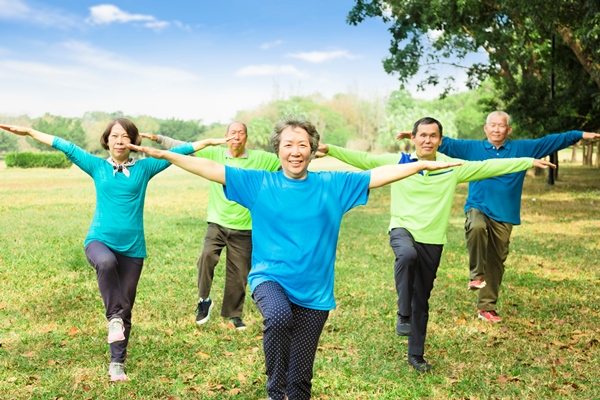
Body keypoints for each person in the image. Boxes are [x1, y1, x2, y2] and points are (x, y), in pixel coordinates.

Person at [128, 115, 461, 400]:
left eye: (302, 144)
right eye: (287, 144)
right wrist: (164, 154)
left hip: (315, 294)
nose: (295, 151)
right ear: (278, 150)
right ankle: (274, 390)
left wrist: (420, 164)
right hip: (269, 278)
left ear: (313, 150)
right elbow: (210, 167)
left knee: (300, 381)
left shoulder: (332, 185)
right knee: (277, 317)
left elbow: (378, 176)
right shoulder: (259, 183)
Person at [318, 117, 555, 373]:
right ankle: (402, 313)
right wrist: (331, 149)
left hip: (432, 239)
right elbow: (362, 159)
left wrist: (528, 161)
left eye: (433, 136)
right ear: (413, 138)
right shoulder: (397, 163)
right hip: (402, 228)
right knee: (406, 256)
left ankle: (416, 355)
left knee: (422, 298)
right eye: (423, 135)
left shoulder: (451, 167)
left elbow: (490, 166)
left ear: (440, 140)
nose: (427, 140)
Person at [0, 119, 226, 382]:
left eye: (125, 136)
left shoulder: (145, 168)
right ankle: (113, 319)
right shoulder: (97, 166)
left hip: (133, 249)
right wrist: (28, 131)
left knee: (126, 308)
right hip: (99, 240)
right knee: (106, 265)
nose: (119, 141)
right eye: (114, 136)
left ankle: (117, 362)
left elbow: (179, 151)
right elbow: (65, 145)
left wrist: (208, 141)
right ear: (106, 140)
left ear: (132, 142)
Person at [429, 111, 599, 323]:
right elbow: (444, 143)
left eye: (501, 126)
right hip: (478, 206)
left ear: (508, 130)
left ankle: (486, 308)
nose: (496, 129)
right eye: (492, 125)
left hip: (505, 213)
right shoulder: (472, 148)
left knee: (497, 261)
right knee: (476, 225)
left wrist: (579, 134)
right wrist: (421, 134)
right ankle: (476, 275)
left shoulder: (522, 148)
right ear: (485, 128)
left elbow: (551, 141)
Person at [141, 122, 280, 330]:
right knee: (206, 258)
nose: (237, 136)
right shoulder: (215, 154)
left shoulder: (261, 158)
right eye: (233, 132)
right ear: (225, 136)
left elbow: (288, 160)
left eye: (241, 133)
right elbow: (183, 147)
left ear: (246, 138)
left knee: (239, 272)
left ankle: (234, 315)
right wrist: (157, 138)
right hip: (217, 222)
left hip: (245, 226)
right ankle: (203, 300)